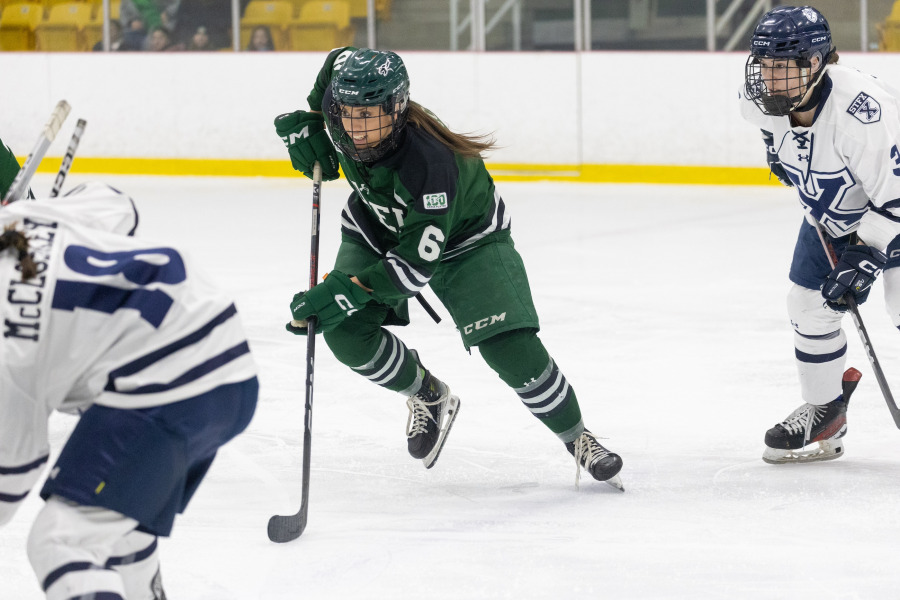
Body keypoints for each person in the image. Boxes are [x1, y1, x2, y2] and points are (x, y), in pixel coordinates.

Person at [275, 47, 624, 488]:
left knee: (510, 351)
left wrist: (343, 290)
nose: (355, 128)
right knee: (343, 331)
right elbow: (339, 58)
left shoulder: (431, 163)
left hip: (467, 239)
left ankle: (578, 438)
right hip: (377, 223)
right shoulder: (337, 102)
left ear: (396, 108)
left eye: (369, 116)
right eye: (346, 114)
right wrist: (309, 120)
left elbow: (412, 269)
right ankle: (426, 393)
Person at [0, 181, 259, 599]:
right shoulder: (23, 222)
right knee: (116, 521)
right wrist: (50, 210)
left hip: (173, 385)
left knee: (61, 543)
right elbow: (116, 203)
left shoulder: (7, 353)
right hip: (222, 359)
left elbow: (9, 479)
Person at [740, 5, 900, 463]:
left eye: (780, 67)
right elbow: (774, 133)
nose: (768, 79)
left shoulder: (862, 114)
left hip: (893, 206)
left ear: (814, 63)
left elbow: (894, 200)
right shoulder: (756, 97)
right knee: (808, 307)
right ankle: (826, 410)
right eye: (763, 66)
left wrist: (865, 255)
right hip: (833, 212)